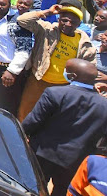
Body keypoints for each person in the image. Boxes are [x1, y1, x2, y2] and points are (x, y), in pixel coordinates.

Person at [23, 59, 107, 196]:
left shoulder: (55, 93)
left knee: (32, 188)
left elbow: (33, 121)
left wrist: (23, 136)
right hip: (75, 161)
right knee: (61, 191)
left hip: (42, 154)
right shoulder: (104, 105)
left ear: (72, 76)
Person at [17, 4, 97, 122]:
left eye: (73, 22)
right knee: (26, 111)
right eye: (64, 20)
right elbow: (22, 20)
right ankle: (22, 135)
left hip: (63, 86)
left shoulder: (83, 42)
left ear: (78, 24)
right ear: (59, 19)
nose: (68, 24)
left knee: (52, 116)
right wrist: (48, 11)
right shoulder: (47, 29)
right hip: (38, 80)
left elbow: (90, 65)